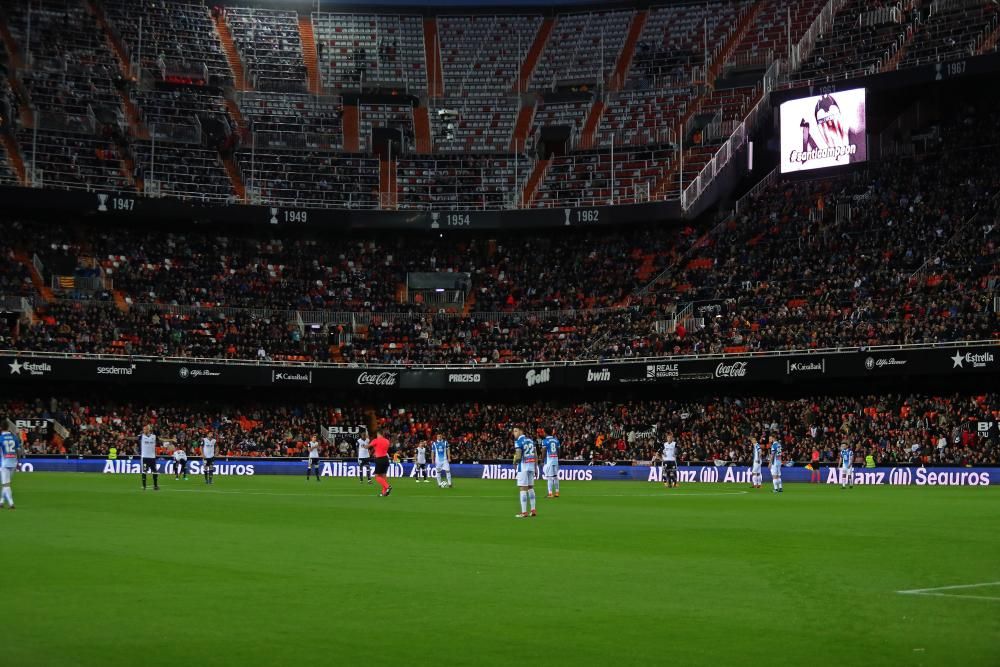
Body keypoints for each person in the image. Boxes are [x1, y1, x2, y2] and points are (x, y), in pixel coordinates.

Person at [512, 427, 538, 518]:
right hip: (531, 466)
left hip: (522, 467)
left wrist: (515, 462)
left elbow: (518, 456)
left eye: (515, 431)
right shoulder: (531, 441)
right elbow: (535, 455)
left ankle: (524, 512)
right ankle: (533, 510)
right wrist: (536, 467)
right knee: (530, 487)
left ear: (521, 431)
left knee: (523, 488)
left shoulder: (518, 442)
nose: (514, 433)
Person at [0, 428, 21, 509]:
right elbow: (19, 450)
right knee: (6, 484)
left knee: (6, 485)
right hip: (13, 462)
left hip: (5, 463)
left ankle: (11, 504)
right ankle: (1, 501)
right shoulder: (14, 437)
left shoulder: (1, 438)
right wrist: (18, 461)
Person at [370, 430, 392, 497]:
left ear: (378, 434)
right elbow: (382, 448)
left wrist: (364, 446)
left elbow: (368, 446)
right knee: (383, 476)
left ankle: (388, 486)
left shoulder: (376, 440)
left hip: (379, 459)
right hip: (386, 459)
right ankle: (383, 493)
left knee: (377, 476)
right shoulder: (387, 441)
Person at [139, 425, 160, 491]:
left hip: (152, 458)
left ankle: (155, 486)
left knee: (155, 471)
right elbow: (133, 438)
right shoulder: (141, 436)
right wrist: (124, 437)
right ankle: (144, 486)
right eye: (143, 429)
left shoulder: (154, 436)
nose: (144, 430)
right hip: (145, 457)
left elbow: (161, 439)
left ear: (149, 430)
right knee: (144, 471)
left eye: (145, 429)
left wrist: (171, 439)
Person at [541, 429, 560, 498]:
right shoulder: (556, 440)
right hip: (555, 460)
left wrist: (542, 461)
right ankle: (557, 492)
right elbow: (559, 450)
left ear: (545, 433)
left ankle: (550, 493)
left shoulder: (545, 441)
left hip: (549, 461)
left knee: (549, 477)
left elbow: (544, 451)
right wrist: (558, 459)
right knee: (555, 476)